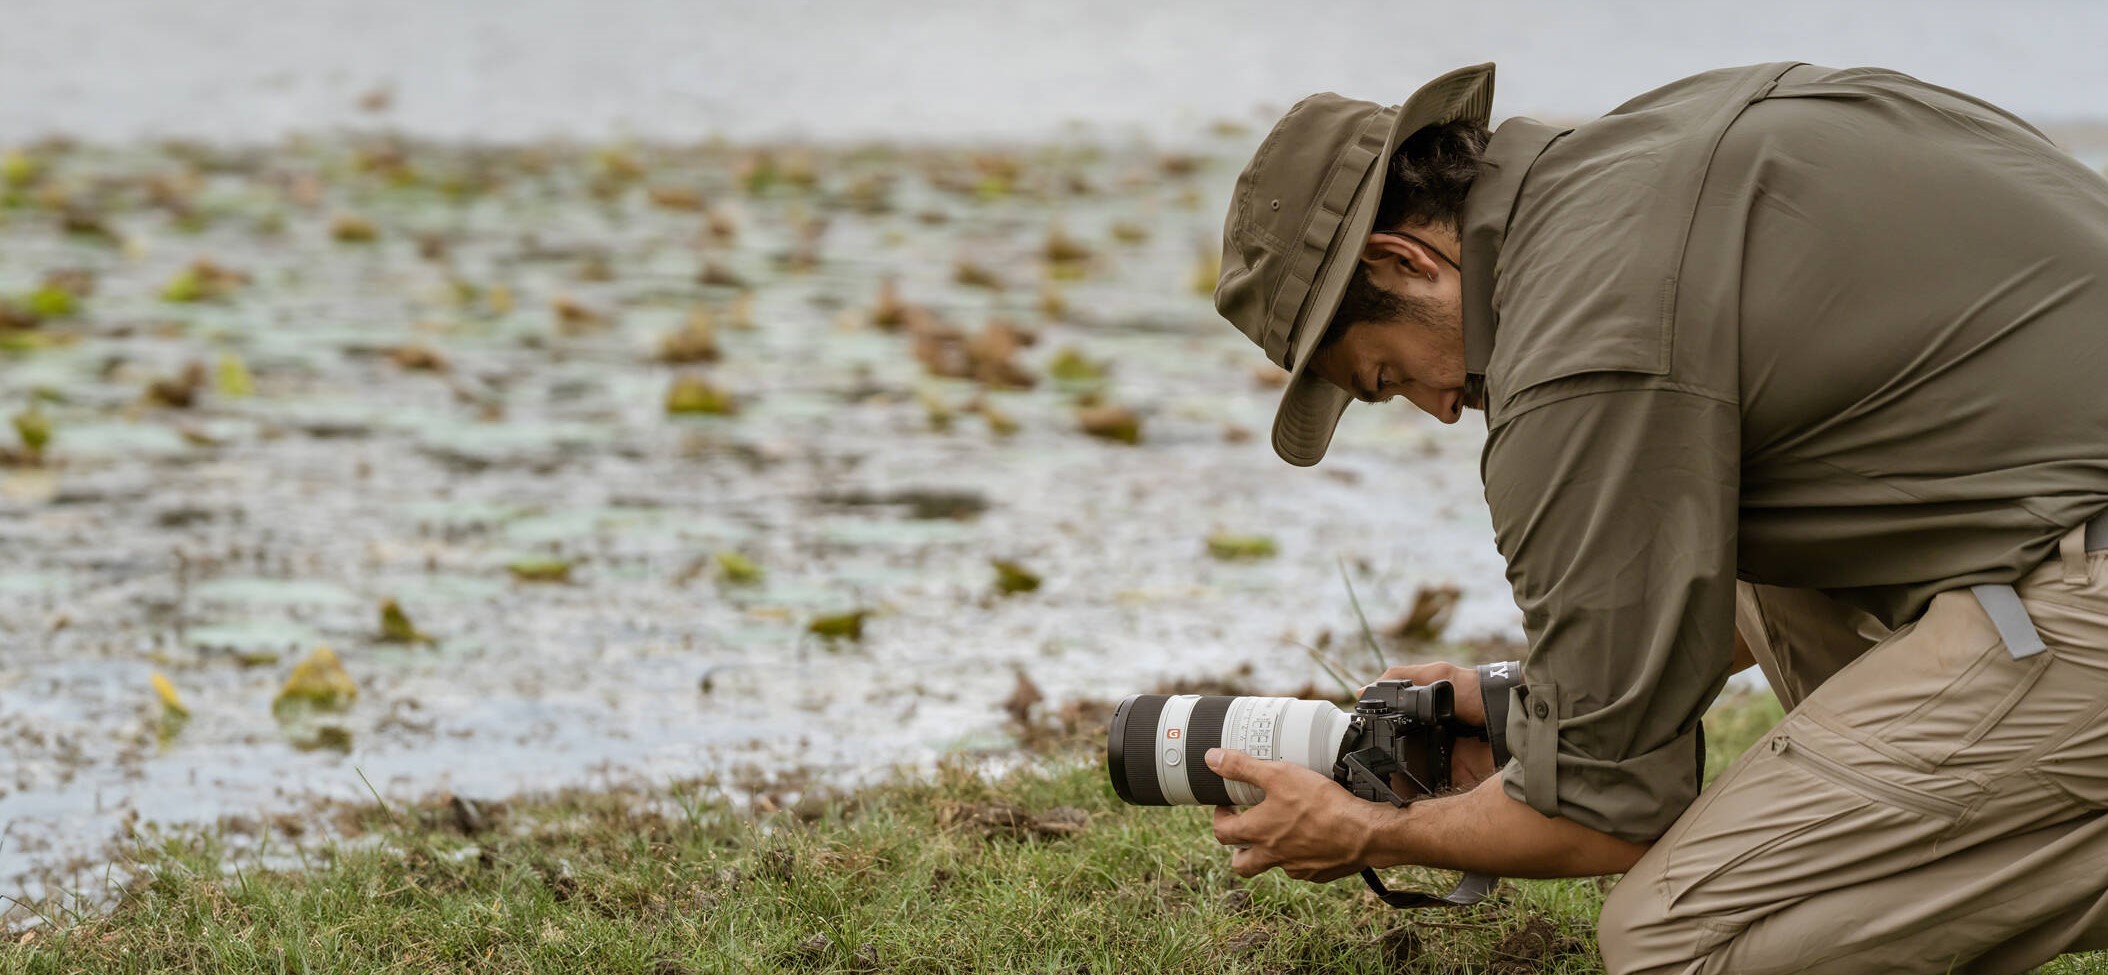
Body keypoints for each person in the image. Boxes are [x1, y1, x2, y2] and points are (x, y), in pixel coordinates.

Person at [1205, 61, 2108, 974]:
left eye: (1388, 374)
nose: (1439, 409)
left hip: (2082, 579)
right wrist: (1530, 701)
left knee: (1669, 939)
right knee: (1717, 506)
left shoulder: (1576, 354)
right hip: (2052, 508)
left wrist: (1368, 831)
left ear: (1405, 261)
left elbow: (1604, 816)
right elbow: (1689, 569)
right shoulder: (1648, 159)